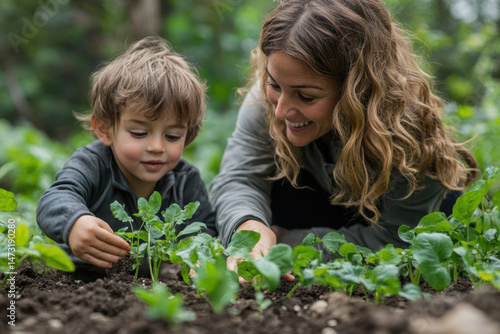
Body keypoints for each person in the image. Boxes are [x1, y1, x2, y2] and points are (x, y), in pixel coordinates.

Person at [210, 0, 478, 269]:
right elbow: (240, 178)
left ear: (359, 90)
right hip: (325, 209)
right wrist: (249, 228)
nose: (280, 111)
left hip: (395, 222)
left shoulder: (409, 136)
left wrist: (287, 243)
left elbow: (398, 241)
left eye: (306, 96)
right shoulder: (267, 104)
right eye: (273, 84)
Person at [36, 36, 216, 280]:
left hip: (148, 290)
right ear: (105, 130)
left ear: (189, 135)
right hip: (75, 283)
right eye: (139, 133)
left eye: (172, 136)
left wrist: (198, 259)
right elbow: (54, 199)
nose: (156, 147)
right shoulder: (93, 163)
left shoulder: (187, 182)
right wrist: (75, 223)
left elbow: (205, 230)